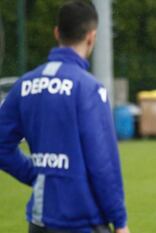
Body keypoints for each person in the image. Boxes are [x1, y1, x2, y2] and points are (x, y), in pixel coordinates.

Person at [0, 1, 129, 233]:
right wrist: (119, 221)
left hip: (39, 221)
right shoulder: (89, 88)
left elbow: (1, 145)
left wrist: (39, 173)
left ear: (57, 32)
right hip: (82, 222)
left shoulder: (25, 85)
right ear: (91, 37)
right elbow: (102, 164)